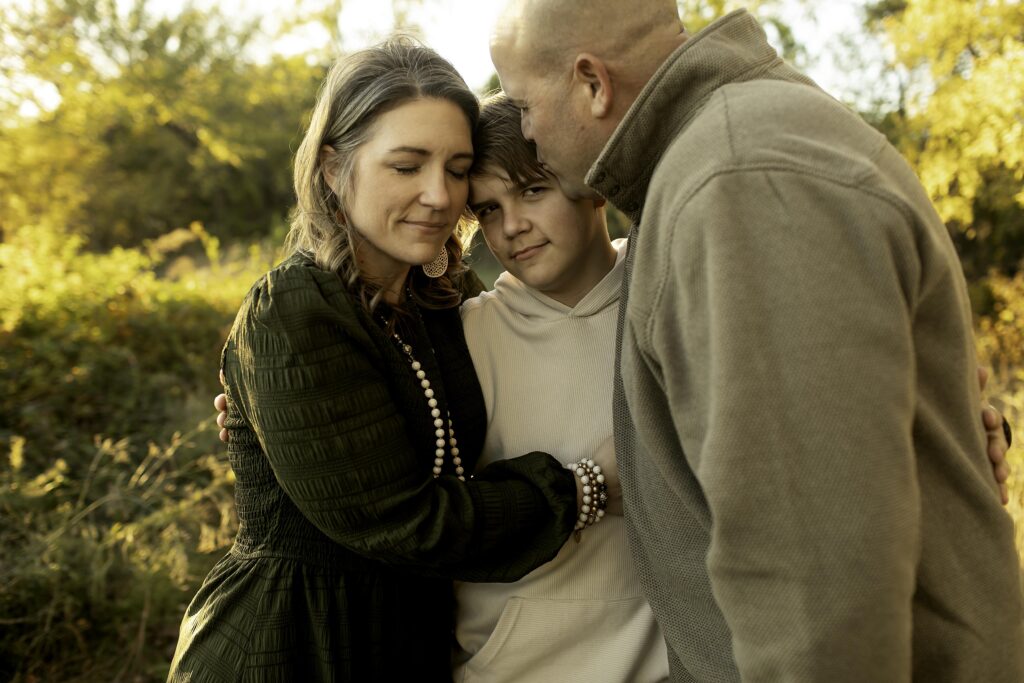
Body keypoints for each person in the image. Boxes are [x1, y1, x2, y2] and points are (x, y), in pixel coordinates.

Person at [489, 1, 1024, 680]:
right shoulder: (712, 161)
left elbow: (816, 581)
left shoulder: (737, 179)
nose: (527, 135)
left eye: (524, 106)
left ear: (591, 83)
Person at [168, 37, 616, 682]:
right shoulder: (296, 309)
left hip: (413, 642)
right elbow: (404, 524)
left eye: (457, 168)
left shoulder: (438, 303)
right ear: (332, 168)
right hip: (297, 644)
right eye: (407, 166)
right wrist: (581, 487)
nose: (440, 196)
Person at [452, 94, 668, 681]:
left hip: (667, 665)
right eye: (489, 209)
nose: (512, 226)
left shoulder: (670, 298)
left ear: (591, 183)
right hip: (511, 668)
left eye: (532, 190)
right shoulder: (466, 336)